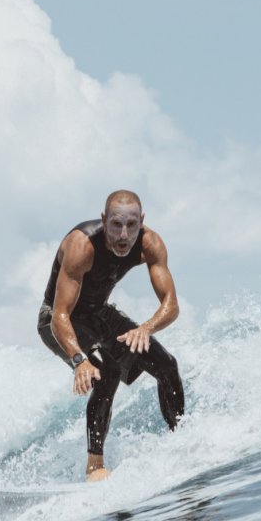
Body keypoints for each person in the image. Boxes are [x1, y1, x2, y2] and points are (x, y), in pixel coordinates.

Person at [38, 190, 185, 481]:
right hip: (59, 320)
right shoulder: (82, 245)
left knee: (167, 366)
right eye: (116, 224)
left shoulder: (149, 243)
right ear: (104, 219)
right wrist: (79, 360)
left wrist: (145, 329)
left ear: (141, 221)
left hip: (100, 315)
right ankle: (95, 466)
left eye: (131, 225)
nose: (123, 234)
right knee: (108, 371)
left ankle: (182, 440)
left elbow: (171, 305)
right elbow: (59, 315)